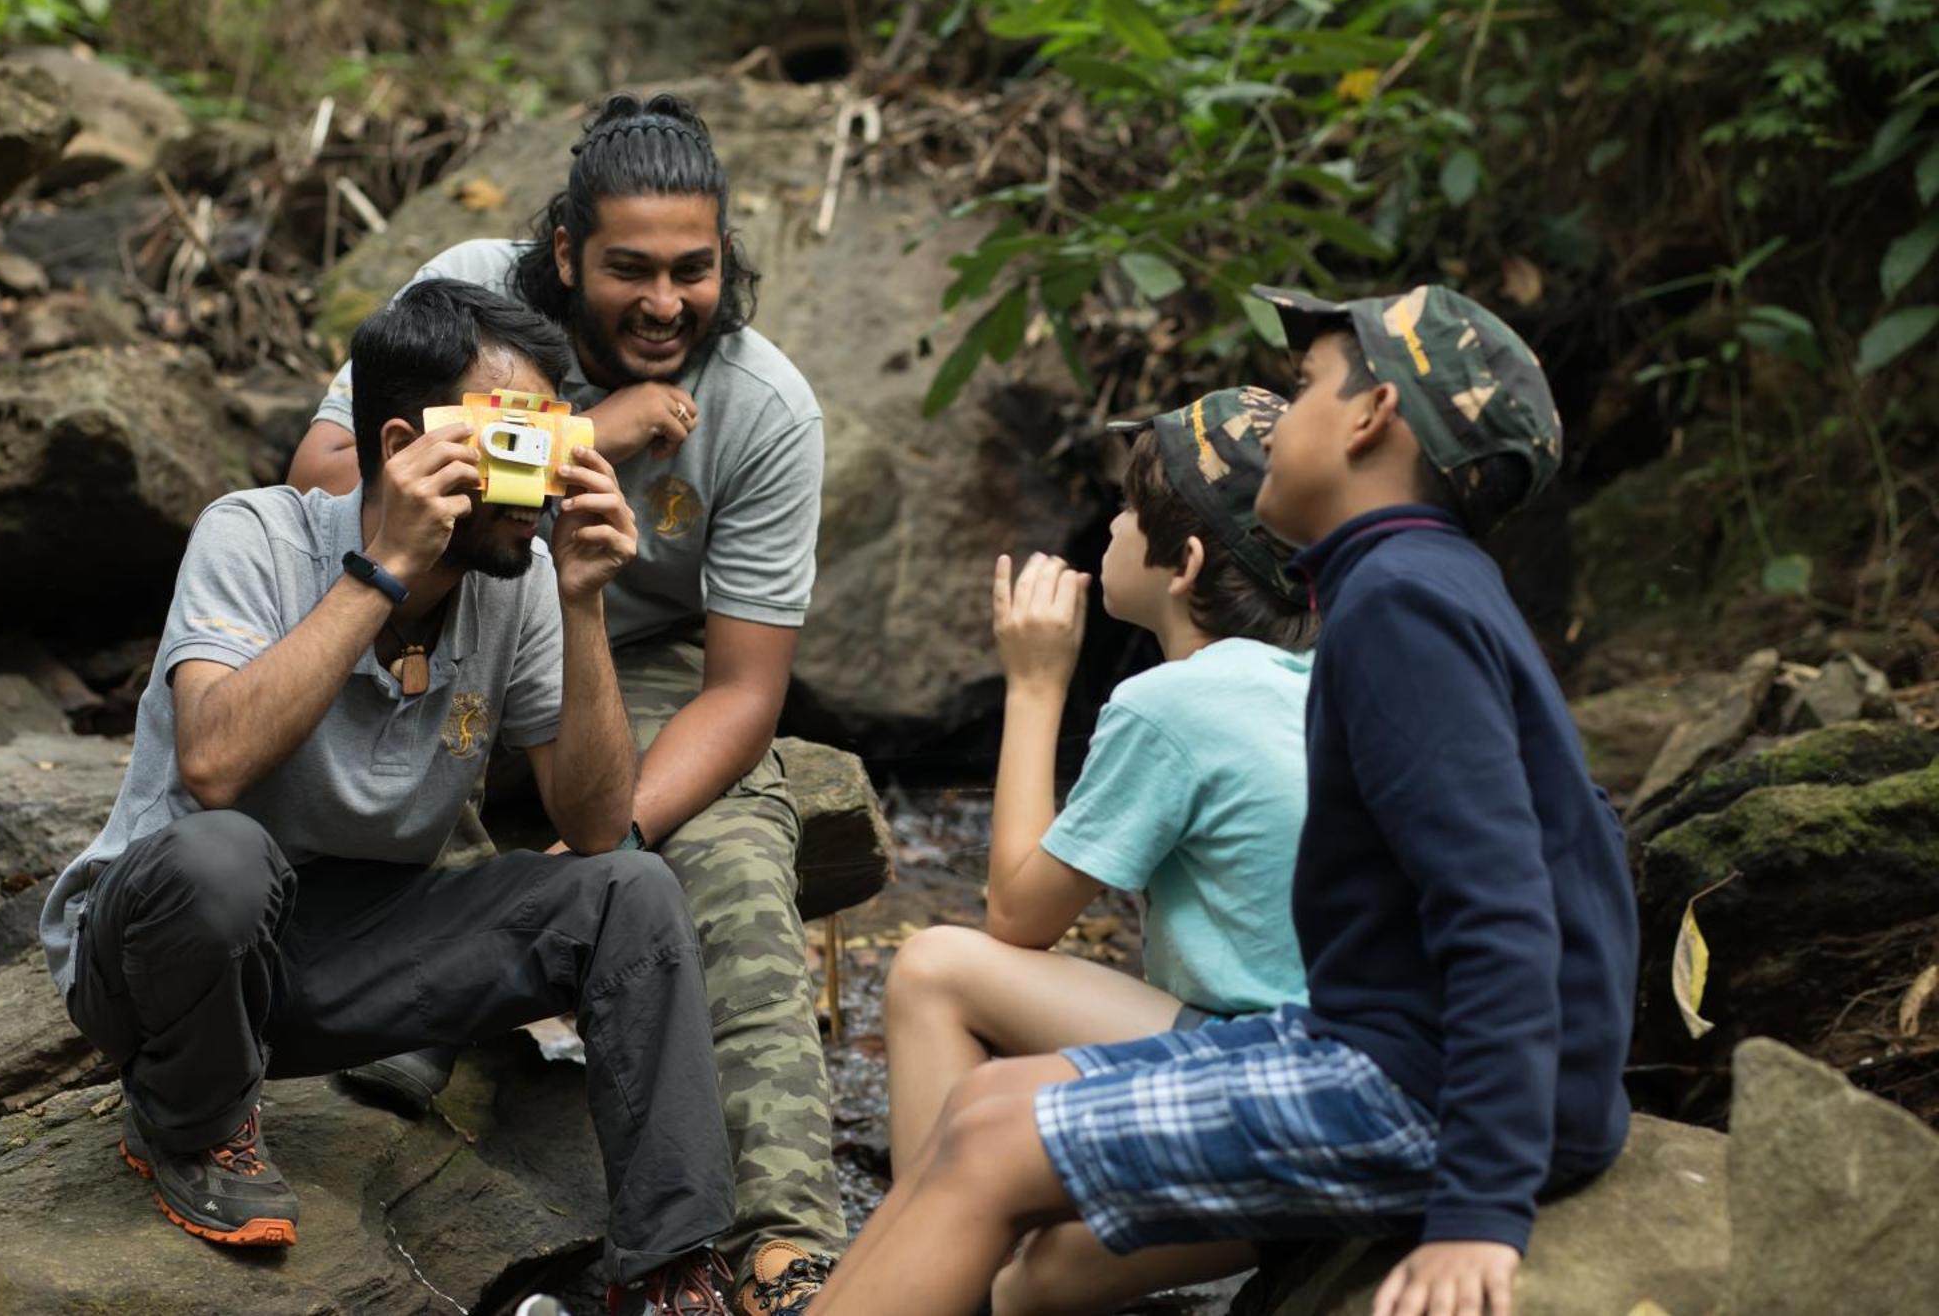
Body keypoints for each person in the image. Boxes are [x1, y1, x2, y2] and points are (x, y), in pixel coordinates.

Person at [809, 284, 1638, 1316]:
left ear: (1370, 418)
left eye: (1300, 391)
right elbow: (1584, 841)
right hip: (1390, 1045)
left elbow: (1503, 903)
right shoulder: (1422, 583)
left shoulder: (1401, 606)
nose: (1279, 416)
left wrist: (1478, 1208)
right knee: (983, 1110)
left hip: (1422, 1085)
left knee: (985, 1144)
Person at [38, 278, 737, 1312]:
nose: (539, 477)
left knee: (628, 889)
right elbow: (214, 766)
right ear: (406, 442)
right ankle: (187, 1118)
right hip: (159, 949)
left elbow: (593, 826)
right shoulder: (255, 536)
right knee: (220, 854)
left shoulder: (526, 579)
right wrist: (384, 570)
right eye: (509, 442)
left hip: (346, 953)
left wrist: (586, 601)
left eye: (551, 438)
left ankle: (671, 1264)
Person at [286, 93, 838, 1316]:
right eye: (629, 269)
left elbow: (743, 689)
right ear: (564, 252)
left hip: (634, 664)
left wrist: (617, 838)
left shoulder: (763, 406)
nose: (663, 302)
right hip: (450, 612)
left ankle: (780, 1244)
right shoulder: (475, 295)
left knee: (737, 867)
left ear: (726, 261)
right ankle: (412, 1023)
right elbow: (324, 480)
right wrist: (582, 432)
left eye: (693, 271)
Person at [880, 387, 1314, 1310]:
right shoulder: (1329, 673)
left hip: (1258, 1079)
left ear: (1185, 561)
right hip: (1335, 1096)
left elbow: (1018, 914)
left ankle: (926, 1253)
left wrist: (1035, 685)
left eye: (1125, 511)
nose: (1109, 528)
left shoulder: (1177, 702)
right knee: (1032, 1282)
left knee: (935, 968)